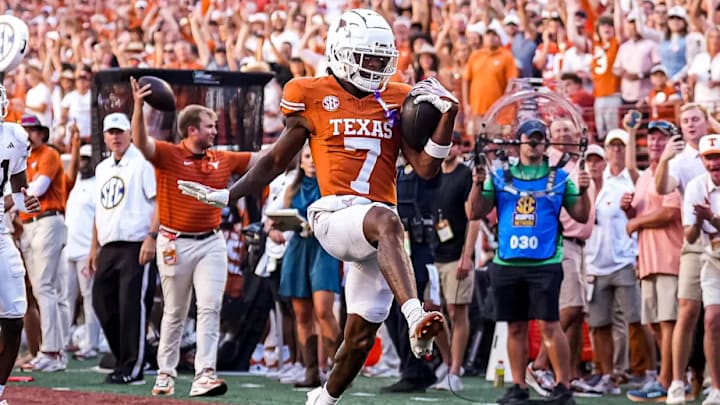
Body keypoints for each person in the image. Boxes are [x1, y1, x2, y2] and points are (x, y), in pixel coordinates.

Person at [178, 9, 457, 405]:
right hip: (336, 214)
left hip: (378, 234)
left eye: (382, 59)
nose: (377, 67)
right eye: (369, 59)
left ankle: (323, 398)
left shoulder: (397, 98)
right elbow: (275, 161)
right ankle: (414, 315)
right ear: (343, 54)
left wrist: (449, 115)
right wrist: (230, 194)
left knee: (359, 338)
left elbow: (427, 168)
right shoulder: (310, 92)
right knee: (387, 219)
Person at [129, 82, 259, 397]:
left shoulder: (222, 159)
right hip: (175, 240)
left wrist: (295, 137)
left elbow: (262, 159)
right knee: (174, 310)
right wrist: (138, 106)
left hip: (211, 242)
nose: (215, 131)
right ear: (191, 130)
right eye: (209, 126)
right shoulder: (168, 154)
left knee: (210, 306)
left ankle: (205, 373)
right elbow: (141, 142)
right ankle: (165, 372)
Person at [469, 119, 591, 405]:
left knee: (550, 325)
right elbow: (474, 211)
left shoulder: (559, 177)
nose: (534, 143)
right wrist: (476, 185)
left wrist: (583, 191)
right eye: (529, 138)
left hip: (545, 262)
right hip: (507, 262)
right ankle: (519, 385)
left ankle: (563, 386)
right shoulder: (500, 176)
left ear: (546, 143)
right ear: (519, 141)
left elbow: (582, 216)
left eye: (539, 138)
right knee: (515, 326)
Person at [87, 113, 157, 385]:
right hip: (109, 244)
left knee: (131, 305)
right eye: (111, 132)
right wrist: (94, 247)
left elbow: (158, 200)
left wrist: (151, 237)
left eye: (120, 132)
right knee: (101, 302)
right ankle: (124, 357)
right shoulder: (102, 168)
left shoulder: (142, 163)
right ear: (104, 136)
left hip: (135, 242)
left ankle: (134, 366)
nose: (115, 137)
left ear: (130, 133)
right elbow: (99, 208)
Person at [278, 144, 341, 388]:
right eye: (307, 157)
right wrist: (279, 225)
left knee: (324, 310)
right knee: (301, 314)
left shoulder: (330, 185)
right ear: (301, 162)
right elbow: (280, 218)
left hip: (324, 248)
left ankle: (339, 368)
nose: (312, 161)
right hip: (297, 248)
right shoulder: (291, 187)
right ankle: (310, 371)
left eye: (315, 157)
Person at [18, 114, 68, 372]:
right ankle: (56, 350)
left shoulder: (48, 154)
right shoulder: (23, 159)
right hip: (30, 225)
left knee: (44, 288)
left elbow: (36, 189)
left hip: (47, 219)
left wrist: (10, 197)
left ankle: (51, 351)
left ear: (42, 133)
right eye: (25, 130)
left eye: (33, 130)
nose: (29, 134)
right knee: (48, 290)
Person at [0, 97, 42, 401]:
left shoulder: (14, 135)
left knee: (15, 315)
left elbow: (18, 185)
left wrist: (25, 198)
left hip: (0, 232)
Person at [681, 133, 720, 405]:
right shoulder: (696, 186)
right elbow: (690, 237)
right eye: (710, 158)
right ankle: (717, 387)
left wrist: (712, 218)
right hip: (713, 258)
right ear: (703, 161)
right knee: (711, 319)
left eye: (718, 157)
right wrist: (697, 221)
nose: (715, 163)